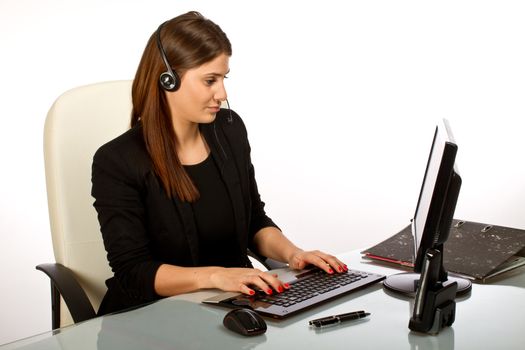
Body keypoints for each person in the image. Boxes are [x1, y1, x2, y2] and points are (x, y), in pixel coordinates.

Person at [91, 11, 347, 316]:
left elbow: (254, 221)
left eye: (223, 79)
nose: (222, 94)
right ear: (168, 81)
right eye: (210, 80)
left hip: (231, 307)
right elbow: (133, 272)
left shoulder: (229, 129)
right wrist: (216, 276)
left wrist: (294, 254)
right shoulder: (117, 161)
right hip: (153, 317)